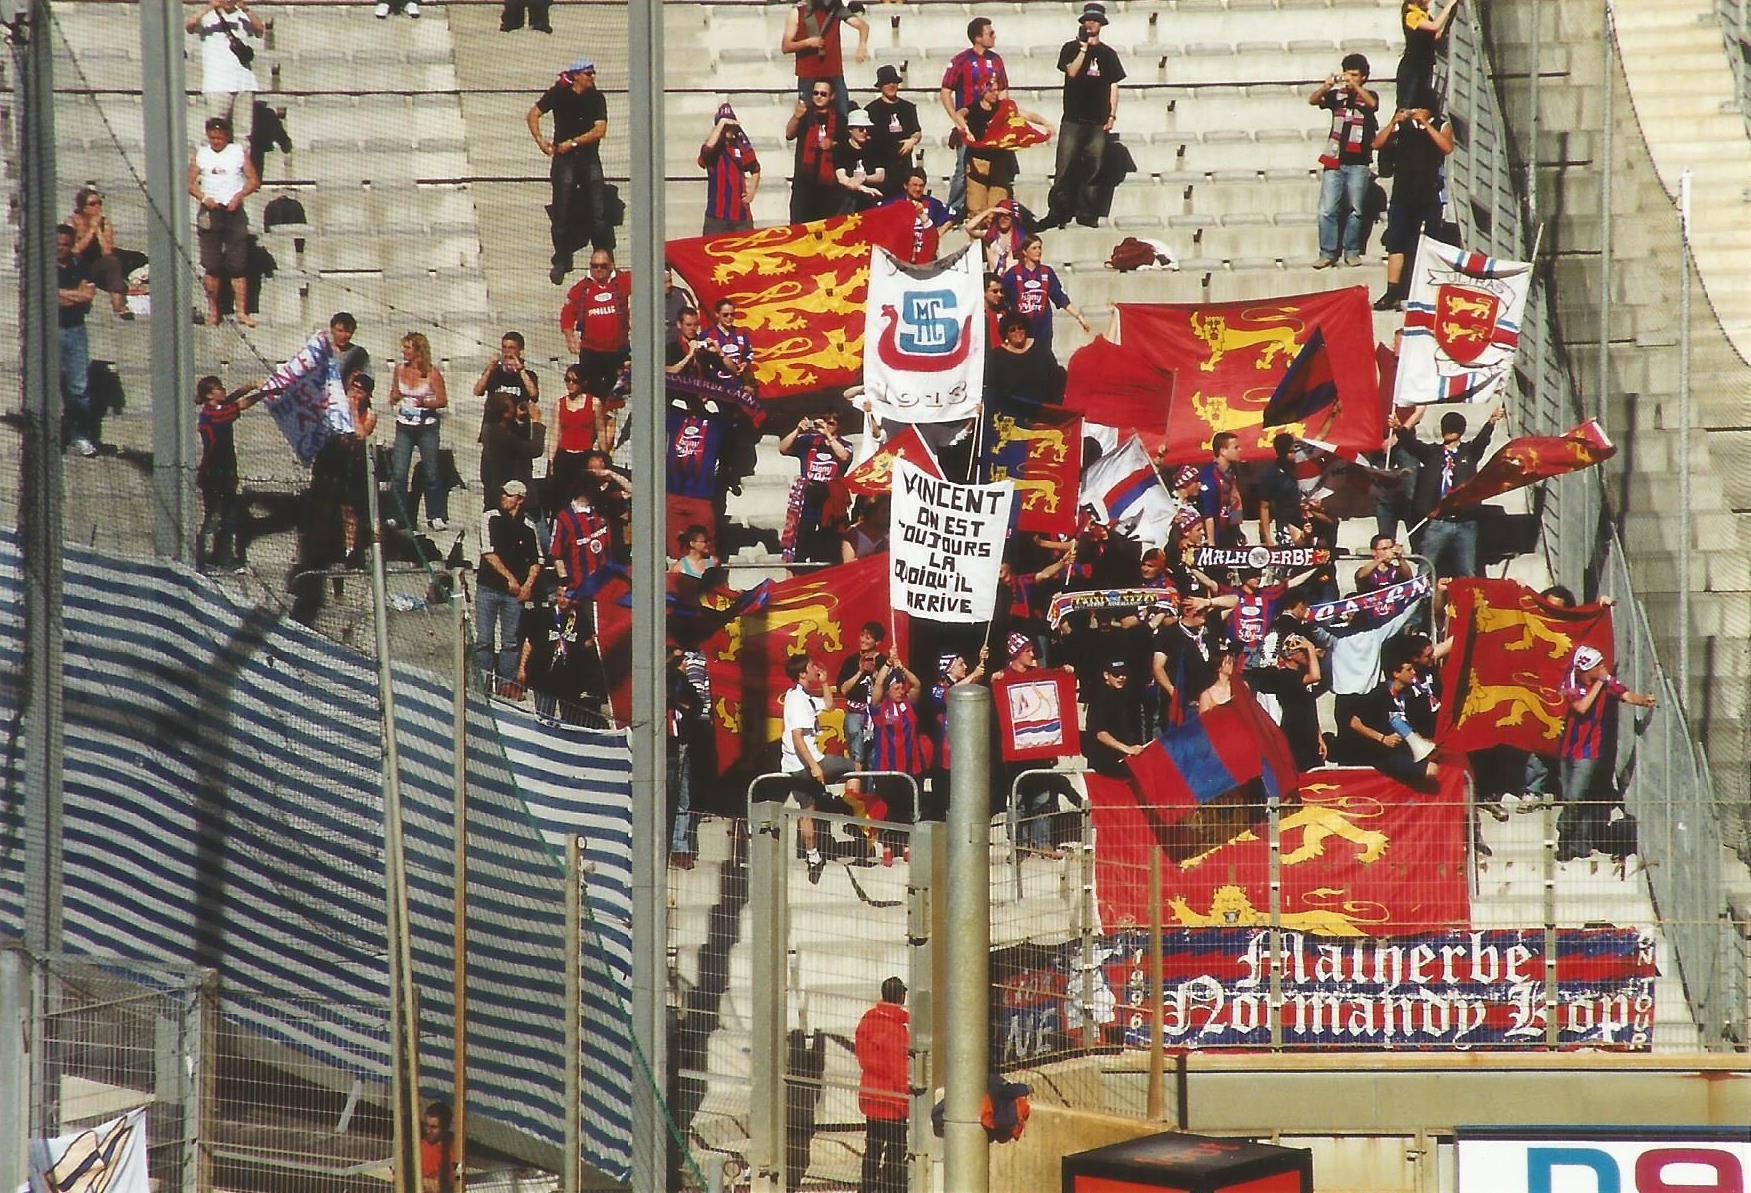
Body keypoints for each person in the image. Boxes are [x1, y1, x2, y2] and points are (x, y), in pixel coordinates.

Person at [1556, 645, 1655, 860]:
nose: (1603, 668)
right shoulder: (1572, 679)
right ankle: (1573, 843)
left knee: (1576, 797)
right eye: (1598, 665)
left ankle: (1566, 833)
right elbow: (1581, 707)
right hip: (1568, 748)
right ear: (1587, 670)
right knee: (1571, 797)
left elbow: (1626, 695)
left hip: (1589, 751)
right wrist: (1600, 683)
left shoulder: (1606, 681)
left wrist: (1644, 701)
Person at [1040, 3, 1125, 231]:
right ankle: (1058, 211)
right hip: (1073, 118)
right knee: (1064, 167)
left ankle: (1086, 213)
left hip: (1097, 120)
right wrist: (1084, 49)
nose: (1091, 24)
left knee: (1093, 169)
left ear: (1101, 24)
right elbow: (1072, 71)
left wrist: (1112, 114)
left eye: (1095, 20)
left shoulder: (1108, 54)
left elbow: (1113, 85)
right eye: (1088, 20)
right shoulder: (1070, 48)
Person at [528, 58, 611, 286]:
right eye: (588, 73)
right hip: (564, 160)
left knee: (598, 212)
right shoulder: (558, 93)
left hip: (588, 158)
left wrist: (573, 143)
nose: (592, 77)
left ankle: (605, 257)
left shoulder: (596, 97)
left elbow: (600, 130)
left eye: (593, 73)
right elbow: (533, 114)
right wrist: (541, 141)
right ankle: (561, 259)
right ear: (576, 76)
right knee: (561, 212)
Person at [1398, 405, 1502, 578]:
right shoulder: (1432, 453)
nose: (1448, 432)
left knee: (1467, 570)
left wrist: (1491, 422)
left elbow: (1482, 440)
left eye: (1453, 428)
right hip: (1437, 521)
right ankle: (1422, 595)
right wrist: (1399, 429)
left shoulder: (1469, 452)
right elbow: (1411, 444)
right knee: (1425, 569)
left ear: (1460, 431)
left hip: (1465, 522)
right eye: (1446, 428)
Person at [1372, 101, 1454, 310]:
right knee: (1396, 244)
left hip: (1429, 194)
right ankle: (1392, 292)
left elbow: (1447, 147)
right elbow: (1376, 144)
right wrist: (1393, 123)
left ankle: (1429, 290)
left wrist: (1425, 124)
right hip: (1402, 194)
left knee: (1430, 243)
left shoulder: (1441, 125)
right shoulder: (1401, 128)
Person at [780, 654, 853, 884]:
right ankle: (853, 806)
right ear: (802, 673)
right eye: (811, 666)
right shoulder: (797, 700)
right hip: (806, 762)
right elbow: (797, 737)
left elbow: (829, 705)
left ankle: (813, 857)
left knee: (807, 810)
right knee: (854, 767)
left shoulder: (804, 697)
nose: (815, 668)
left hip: (797, 764)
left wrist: (824, 682)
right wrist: (814, 767)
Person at [1308, 54, 1380, 269]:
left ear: (1364, 77)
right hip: (1335, 159)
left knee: (1355, 209)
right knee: (1327, 209)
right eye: (1348, 74)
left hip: (1359, 162)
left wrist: (1355, 87)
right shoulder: (1336, 96)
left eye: (1355, 75)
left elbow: (1372, 104)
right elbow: (1313, 100)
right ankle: (1327, 252)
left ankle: (1352, 251)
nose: (1350, 78)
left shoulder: (1369, 95)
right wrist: (1326, 86)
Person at [188, 116, 260, 328]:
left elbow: (254, 180)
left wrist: (239, 196)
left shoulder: (237, 152)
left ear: (226, 136)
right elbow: (189, 183)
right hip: (210, 211)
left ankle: (242, 312)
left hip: (233, 211)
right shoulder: (202, 154)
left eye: (219, 138)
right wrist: (204, 198)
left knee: (238, 265)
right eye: (212, 138)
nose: (216, 141)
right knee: (212, 265)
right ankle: (214, 312)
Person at [477, 481, 543, 694]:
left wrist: (527, 586)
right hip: (489, 588)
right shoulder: (491, 517)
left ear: (520, 499)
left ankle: (507, 683)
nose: (504, 497)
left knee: (511, 641)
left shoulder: (529, 525)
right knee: (484, 639)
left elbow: (536, 560)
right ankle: (482, 683)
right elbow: (488, 553)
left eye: (509, 495)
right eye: (504, 493)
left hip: (514, 594)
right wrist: (510, 578)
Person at [195, 375, 265, 572]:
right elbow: (240, 405)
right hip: (215, 473)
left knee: (223, 515)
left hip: (224, 471)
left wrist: (251, 385)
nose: (223, 391)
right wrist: (265, 393)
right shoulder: (215, 416)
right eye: (219, 388)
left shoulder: (215, 409)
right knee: (218, 517)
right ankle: (207, 558)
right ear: (210, 395)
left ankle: (216, 557)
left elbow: (233, 398)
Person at [939, 17, 1009, 215]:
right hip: (969, 124)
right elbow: (946, 91)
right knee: (963, 169)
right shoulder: (961, 60)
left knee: (994, 169)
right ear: (978, 37)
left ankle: (988, 213)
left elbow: (1003, 90)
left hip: (992, 125)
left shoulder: (996, 60)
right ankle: (952, 212)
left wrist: (1003, 117)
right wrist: (956, 119)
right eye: (990, 33)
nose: (994, 36)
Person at [1346, 644, 1441, 785]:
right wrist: (1383, 738)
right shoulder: (1378, 694)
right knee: (1432, 770)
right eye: (1408, 669)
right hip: (1382, 754)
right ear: (1396, 674)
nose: (1414, 672)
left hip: (1402, 749)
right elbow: (1354, 722)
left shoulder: (1409, 696)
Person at [384, 332, 450, 531]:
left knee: (431, 473)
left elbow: (442, 400)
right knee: (399, 473)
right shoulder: (399, 370)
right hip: (404, 425)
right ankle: (398, 514)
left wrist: (425, 403)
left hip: (427, 427)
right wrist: (394, 398)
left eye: (408, 348)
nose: (404, 351)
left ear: (418, 350)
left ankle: (435, 514)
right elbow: (394, 393)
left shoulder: (432, 373)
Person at [854, 976, 910, 1193]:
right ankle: (891, 1188)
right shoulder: (895, 1030)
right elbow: (898, 1070)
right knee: (896, 1150)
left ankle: (868, 1187)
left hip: (871, 1095)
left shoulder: (868, 1021)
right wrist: (907, 1101)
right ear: (901, 997)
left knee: (873, 1147)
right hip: (892, 1099)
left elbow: (864, 1058)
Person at [186, 0, 263, 153]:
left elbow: (260, 30)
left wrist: (246, 9)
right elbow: (190, 26)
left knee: (243, 134)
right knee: (215, 132)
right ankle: (213, 165)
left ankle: (240, 165)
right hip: (217, 83)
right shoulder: (208, 16)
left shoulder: (243, 15)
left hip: (244, 82)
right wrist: (211, 6)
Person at [779, 412, 852, 564]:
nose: (826, 425)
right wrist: (798, 431)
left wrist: (828, 436)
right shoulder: (809, 441)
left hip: (832, 499)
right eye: (824, 421)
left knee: (831, 543)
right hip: (809, 496)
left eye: (831, 423)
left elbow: (844, 456)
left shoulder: (845, 444)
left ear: (839, 426)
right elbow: (783, 449)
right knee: (801, 540)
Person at [561, 249, 632, 399]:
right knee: (591, 395)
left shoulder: (623, 281)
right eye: (594, 266)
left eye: (603, 266)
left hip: (617, 350)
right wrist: (569, 336)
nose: (598, 269)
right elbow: (567, 312)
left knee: (618, 393)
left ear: (611, 266)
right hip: (591, 352)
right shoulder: (582, 288)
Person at [1001, 235, 1089, 355]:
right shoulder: (1013, 274)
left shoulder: (1047, 272)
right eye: (1034, 248)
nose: (1038, 251)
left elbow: (1060, 297)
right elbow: (1003, 299)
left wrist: (1079, 317)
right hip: (1021, 330)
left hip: (1042, 329)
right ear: (1025, 252)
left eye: (1039, 247)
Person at [54, 225, 99, 458]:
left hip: (76, 330)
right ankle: (50, 436)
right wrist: (74, 295)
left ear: (71, 245)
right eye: (57, 244)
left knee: (79, 387)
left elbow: (88, 297)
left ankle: (80, 434)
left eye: (65, 244)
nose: (60, 248)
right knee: (48, 385)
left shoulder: (80, 265)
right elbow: (47, 299)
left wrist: (60, 293)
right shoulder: (43, 266)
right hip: (49, 331)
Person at [781, 0, 869, 117]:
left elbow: (863, 26)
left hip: (833, 72)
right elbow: (786, 47)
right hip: (808, 74)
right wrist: (808, 43)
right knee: (806, 118)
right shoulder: (798, 11)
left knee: (842, 116)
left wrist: (862, 45)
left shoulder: (836, 9)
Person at [67, 187, 143, 319]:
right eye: (92, 204)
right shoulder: (72, 222)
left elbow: (107, 251)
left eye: (99, 203)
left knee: (114, 261)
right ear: (83, 208)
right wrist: (91, 229)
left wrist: (98, 230)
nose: (97, 207)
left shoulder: (105, 223)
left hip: (98, 264)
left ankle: (118, 305)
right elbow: (74, 251)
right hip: (79, 264)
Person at [786, 81, 845, 224]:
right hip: (804, 185)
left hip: (828, 187)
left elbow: (845, 143)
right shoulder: (805, 114)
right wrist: (796, 117)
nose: (819, 97)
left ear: (832, 96)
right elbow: (789, 134)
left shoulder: (839, 118)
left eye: (823, 94)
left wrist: (832, 144)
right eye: (815, 93)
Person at [479, 390, 547, 514]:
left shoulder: (490, 429)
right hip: (511, 492)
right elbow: (535, 449)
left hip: (498, 490)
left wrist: (520, 419)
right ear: (504, 413)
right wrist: (537, 422)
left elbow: (514, 437)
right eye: (511, 406)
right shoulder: (500, 436)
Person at [699, 103, 761, 235]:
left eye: (730, 125)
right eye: (725, 126)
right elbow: (706, 151)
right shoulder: (713, 150)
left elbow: (755, 168)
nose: (728, 129)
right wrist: (721, 124)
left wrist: (751, 192)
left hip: (741, 216)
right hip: (716, 216)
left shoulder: (741, 146)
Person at [865, 65, 921, 198]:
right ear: (880, 86)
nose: (891, 85)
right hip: (882, 165)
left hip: (903, 166)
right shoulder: (871, 110)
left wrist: (913, 140)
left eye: (894, 82)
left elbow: (916, 131)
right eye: (887, 82)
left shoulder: (908, 108)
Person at [837, 622, 887, 770]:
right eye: (862, 636)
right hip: (855, 713)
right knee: (856, 756)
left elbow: (889, 689)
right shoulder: (850, 661)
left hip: (876, 715)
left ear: (877, 642)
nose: (863, 640)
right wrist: (859, 672)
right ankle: (856, 783)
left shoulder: (884, 662)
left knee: (875, 757)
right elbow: (843, 690)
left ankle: (873, 785)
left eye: (868, 637)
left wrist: (875, 673)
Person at [1085, 658, 1145, 778]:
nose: (1121, 678)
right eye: (1116, 674)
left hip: (1124, 759)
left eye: (1124, 674)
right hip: (1104, 763)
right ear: (1106, 675)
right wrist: (1127, 749)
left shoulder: (1125, 695)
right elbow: (1100, 733)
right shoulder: (1100, 698)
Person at [1397, 0, 1461, 110]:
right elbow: (1434, 27)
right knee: (1406, 105)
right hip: (1412, 68)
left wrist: (1448, 20)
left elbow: (1434, 35)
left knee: (1423, 105)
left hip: (1425, 66)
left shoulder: (1424, 15)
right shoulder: (1411, 15)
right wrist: (1449, 5)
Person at [550, 364, 599, 501]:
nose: (570, 384)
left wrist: (603, 458)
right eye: (567, 380)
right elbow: (555, 434)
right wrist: (551, 460)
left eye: (575, 381)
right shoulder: (559, 404)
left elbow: (601, 431)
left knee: (583, 496)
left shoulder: (594, 403)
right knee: (561, 497)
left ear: (584, 382)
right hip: (564, 456)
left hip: (584, 456)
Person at [1196, 432, 1244, 547]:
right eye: (1236, 447)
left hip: (1230, 535)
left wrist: (1237, 531)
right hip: (1215, 536)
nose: (1240, 450)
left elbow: (1234, 501)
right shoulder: (1209, 477)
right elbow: (1208, 515)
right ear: (1223, 451)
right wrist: (1211, 544)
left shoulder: (1232, 472)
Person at [835, 110, 888, 211]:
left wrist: (863, 179)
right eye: (861, 129)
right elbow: (842, 178)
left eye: (867, 129)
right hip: (847, 200)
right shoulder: (841, 149)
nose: (865, 132)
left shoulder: (875, 147)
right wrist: (863, 188)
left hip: (871, 200)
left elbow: (880, 176)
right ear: (850, 129)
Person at [420, 1102, 453, 1193]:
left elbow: (447, 1184)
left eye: (433, 1127)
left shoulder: (452, 1152)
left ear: (445, 1128)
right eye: (426, 1125)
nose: (428, 1131)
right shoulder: (418, 1147)